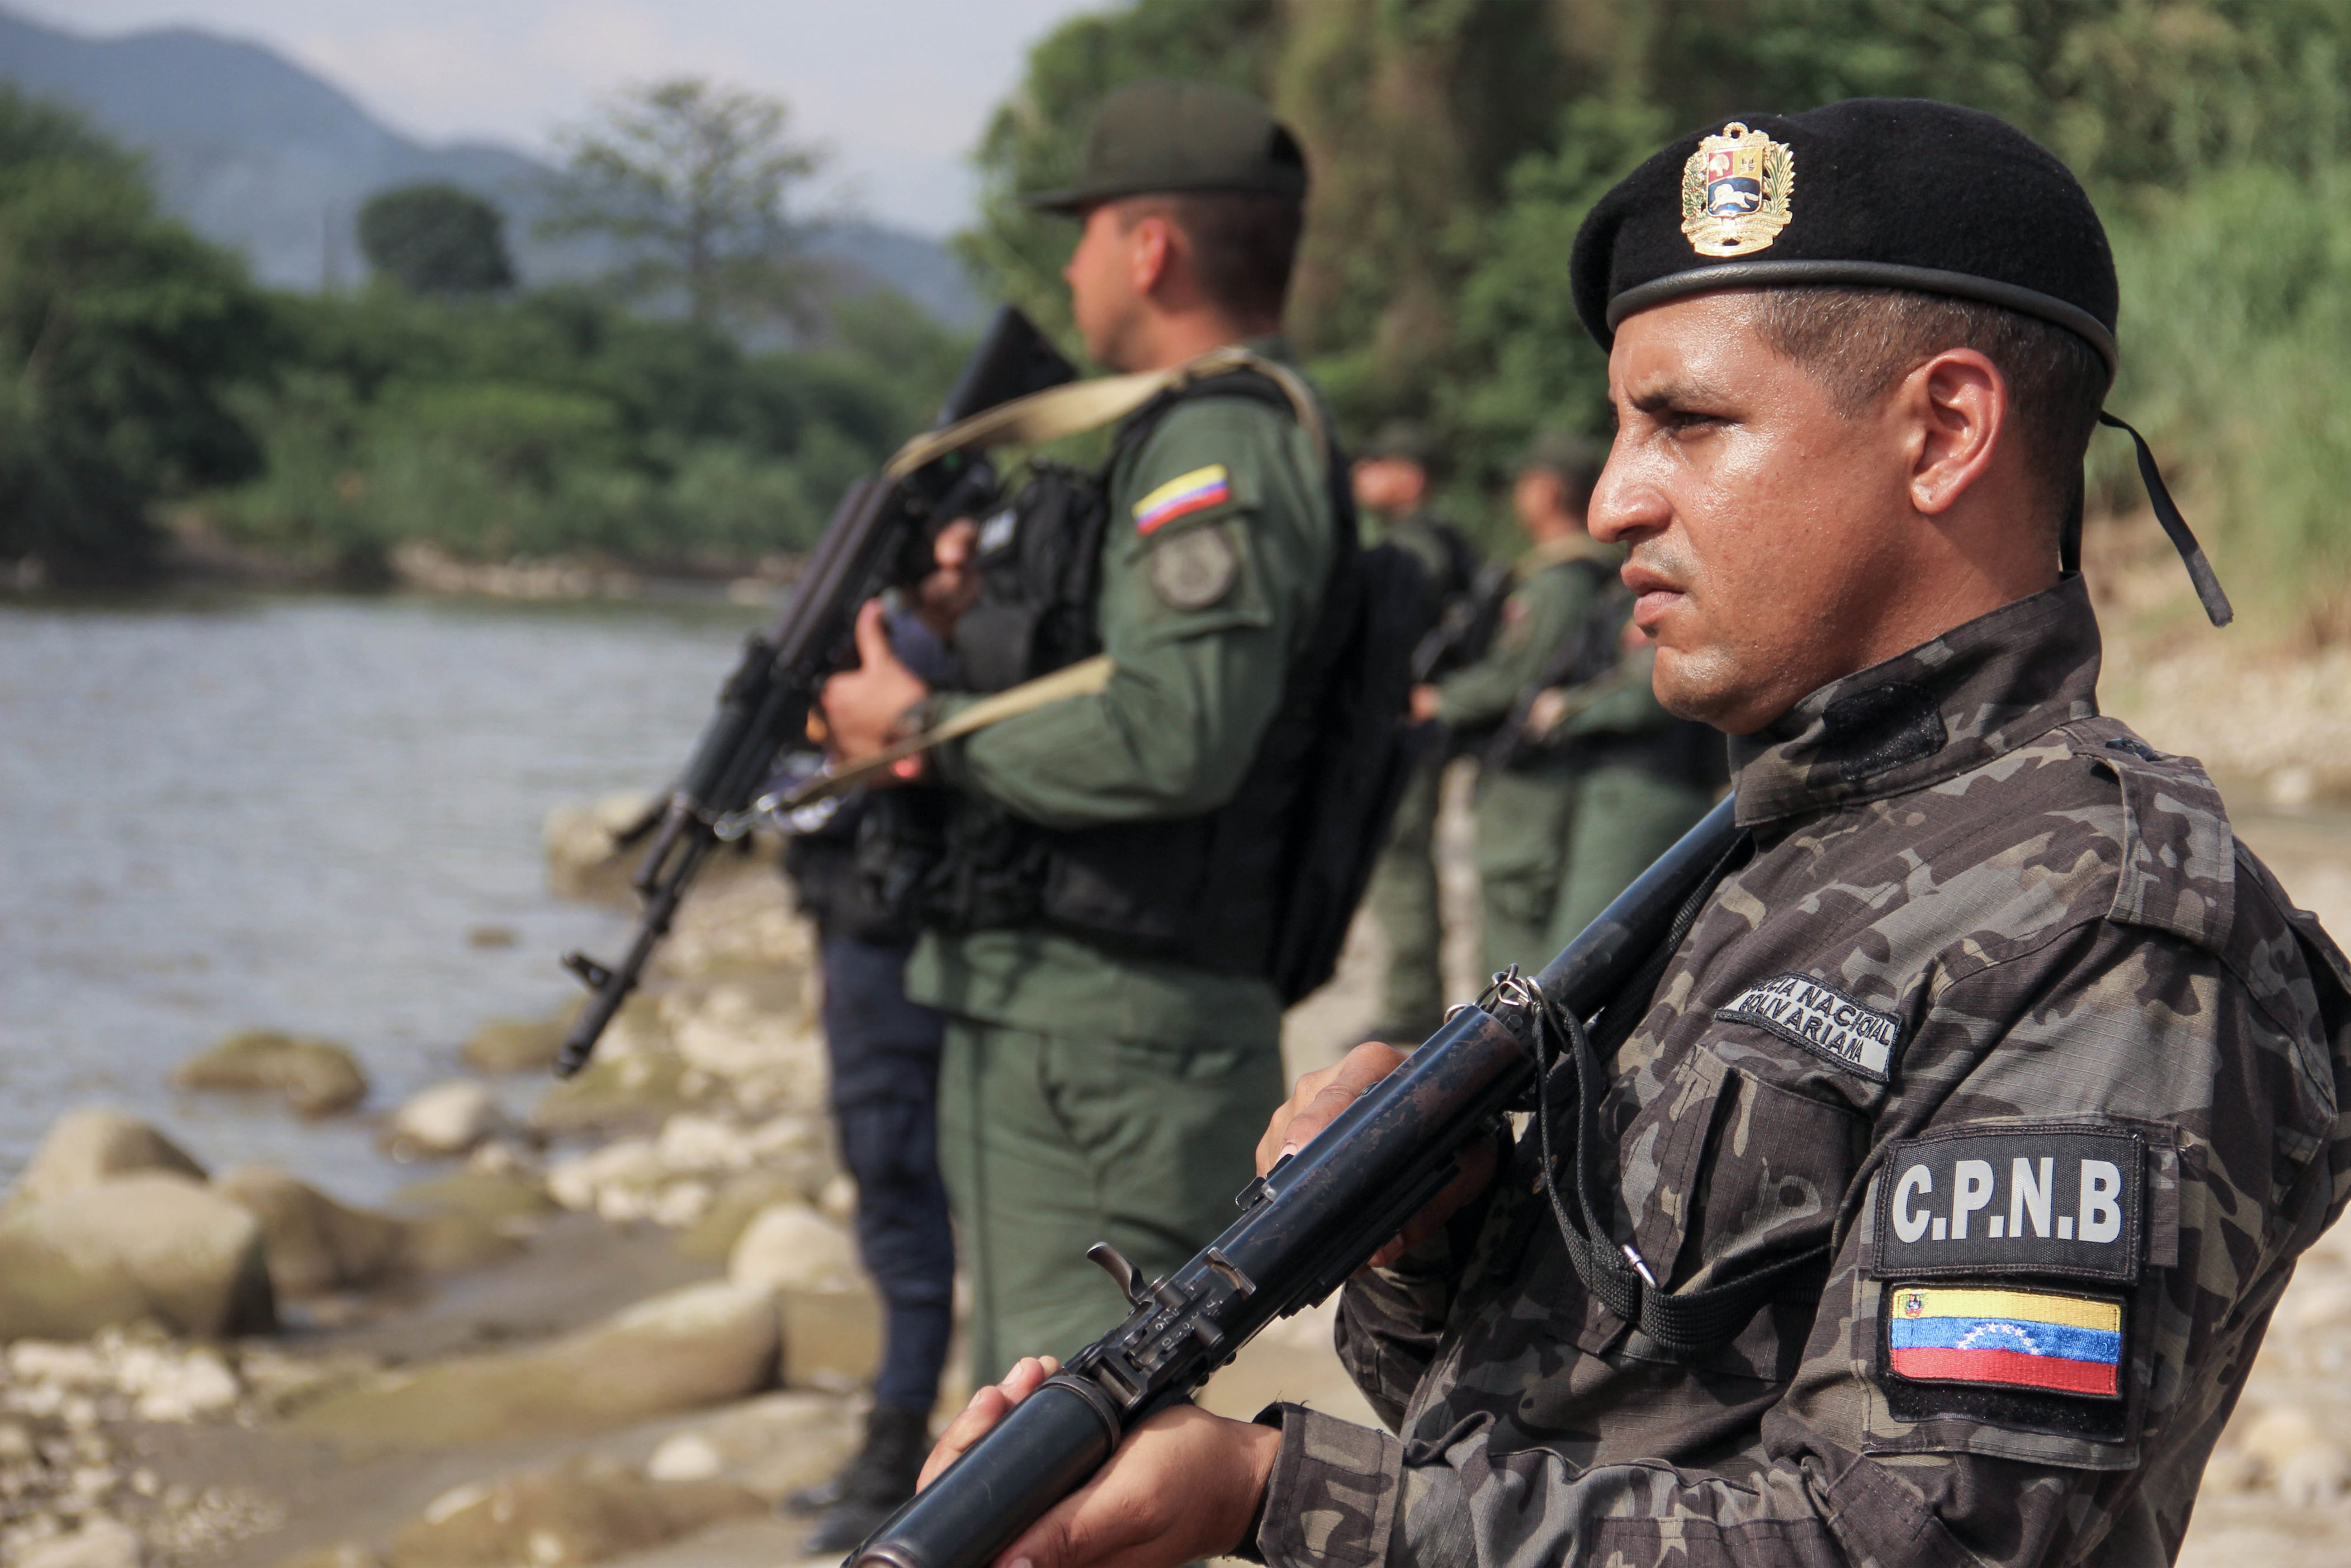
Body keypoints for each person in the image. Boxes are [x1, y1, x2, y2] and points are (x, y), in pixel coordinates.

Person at [912, 100, 2351, 1568]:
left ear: (1941, 432)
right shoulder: (1780, 847)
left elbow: (1906, 1546)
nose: (1610, 500)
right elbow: (1564, 1421)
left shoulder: (2101, 926)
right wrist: (1432, 1230)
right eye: (1618, 427)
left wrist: (1273, 1491)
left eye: (1686, 424)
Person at [819, 80, 1344, 1388]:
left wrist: (919, 726)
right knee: (1046, 1409)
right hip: (1090, 1028)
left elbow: (1175, 731)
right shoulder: (1189, 428)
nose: (1068, 268)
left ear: (1148, 249)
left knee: (1055, 1434)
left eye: (1085, 233)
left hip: (1113, 1042)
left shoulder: (1213, 438)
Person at [776, 613, 960, 1555]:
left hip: (896, 976)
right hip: (869, 965)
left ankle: (898, 1456)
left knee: (899, 1199)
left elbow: (882, 770)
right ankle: (892, 1442)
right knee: (893, 1209)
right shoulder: (883, 629)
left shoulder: (902, 642)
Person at [1416, 433, 1716, 983]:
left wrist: (1554, 711)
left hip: (1605, 782)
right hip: (1602, 779)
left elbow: (1530, 679)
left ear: (1546, 491)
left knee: (1548, 956)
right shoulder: (1603, 577)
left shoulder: (1567, 580)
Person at [1352, 420, 1483, 1041]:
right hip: (1415, 720)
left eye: (1375, 464)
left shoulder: (1414, 546)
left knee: (1398, 857)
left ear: (1407, 476)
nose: (1360, 476)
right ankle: (1413, 994)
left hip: (1401, 723)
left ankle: (1409, 1001)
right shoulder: (1441, 538)